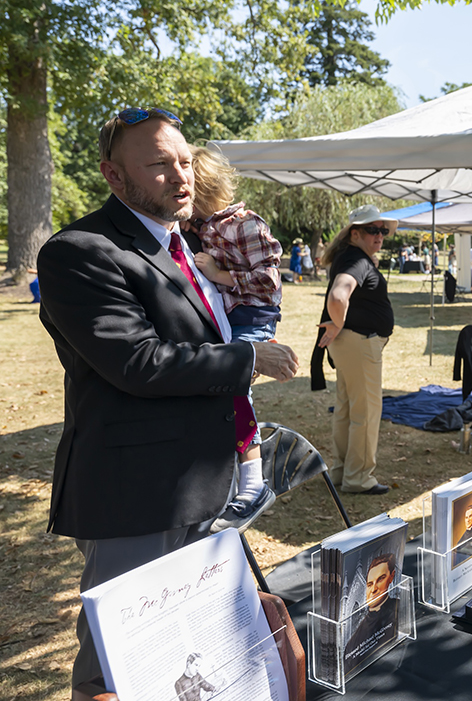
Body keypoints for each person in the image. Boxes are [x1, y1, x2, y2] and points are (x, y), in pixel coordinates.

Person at [37, 107, 298, 691]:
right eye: (158, 164)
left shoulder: (186, 245)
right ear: (113, 175)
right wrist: (248, 360)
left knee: (193, 646)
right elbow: (137, 361)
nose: (181, 176)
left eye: (184, 161)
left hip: (204, 479)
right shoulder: (80, 251)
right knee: (121, 661)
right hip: (137, 491)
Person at [185, 146, 282, 532]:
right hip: (228, 319)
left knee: (234, 393)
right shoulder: (203, 227)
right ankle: (234, 481)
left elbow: (270, 282)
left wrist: (220, 274)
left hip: (251, 319)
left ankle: (254, 483)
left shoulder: (244, 224)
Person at [317, 205, 397, 495]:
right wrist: (338, 323)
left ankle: (342, 472)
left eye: (383, 230)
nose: (380, 236)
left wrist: (339, 325)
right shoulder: (357, 261)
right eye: (373, 230)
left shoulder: (351, 257)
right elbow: (338, 295)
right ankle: (358, 478)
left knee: (348, 409)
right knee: (365, 412)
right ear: (355, 233)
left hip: (353, 342)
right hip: (359, 343)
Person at [343, 553, 398, 668]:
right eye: (369, 584)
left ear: (391, 577)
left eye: (380, 579)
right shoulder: (351, 645)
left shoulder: (398, 607)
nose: (373, 590)